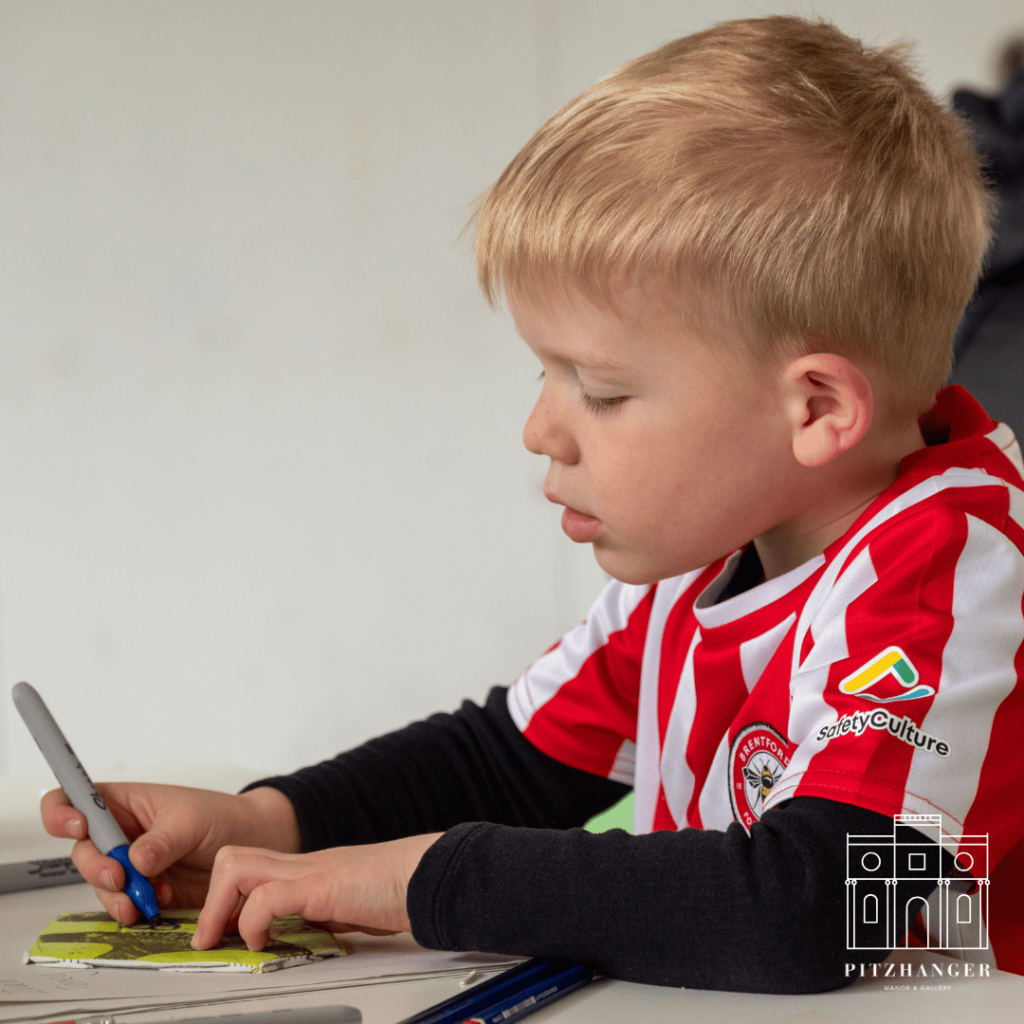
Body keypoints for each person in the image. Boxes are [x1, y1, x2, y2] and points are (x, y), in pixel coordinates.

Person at [41, 16, 1024, 992]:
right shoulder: (704, 551)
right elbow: (510, 757)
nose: (540, 429)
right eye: (542, 373)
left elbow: (818, 906)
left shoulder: (950, 565)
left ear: (814, 408)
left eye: (599, 390)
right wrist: (265, 823)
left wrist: (429, 878)